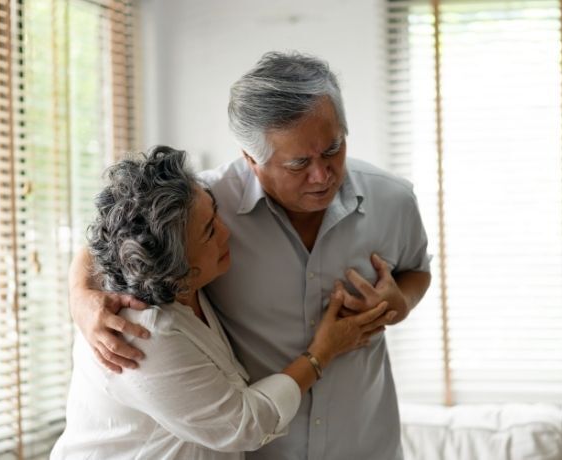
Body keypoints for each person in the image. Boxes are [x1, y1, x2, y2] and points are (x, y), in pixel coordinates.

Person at [70, 52, 431, 459]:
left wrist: (400, 303)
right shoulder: (201, 209)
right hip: (264, 447)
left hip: (366, 442)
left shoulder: (393, 199)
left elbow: (417, 272)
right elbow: (115, 240)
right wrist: (81, 297)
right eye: (299, 163)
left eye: (333, 148)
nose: (323, 174)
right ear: (250, 158)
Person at [52, 146, 393, 459]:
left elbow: (118, 231)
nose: (226, 230)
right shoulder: (143, 335)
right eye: (209, 233)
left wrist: (78, 291)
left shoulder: (179, 273)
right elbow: (244, 425)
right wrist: (323, 351)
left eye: (214, 212)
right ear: (175, 269)